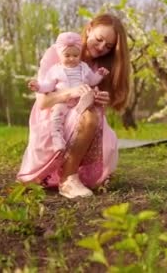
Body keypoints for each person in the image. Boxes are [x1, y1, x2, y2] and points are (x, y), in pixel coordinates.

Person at [17, 14, 129, 199]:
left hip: (79, 112)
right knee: (89, 116)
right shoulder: (58, 52)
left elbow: (91, 94)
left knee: (95, 118)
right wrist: (71, 92)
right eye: (99, 39)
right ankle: (68, 179)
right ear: (89, 29)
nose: (101, 48)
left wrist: (99, 97)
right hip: (53, 115)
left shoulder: (97, 65)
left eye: (108, 46)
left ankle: (74, 173)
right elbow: (43, 102)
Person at [27, 32, 109, 152]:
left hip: (80, 99)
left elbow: (92, 80)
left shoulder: (84, 67)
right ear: (60, 55)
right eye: (67, 55)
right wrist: (38, 87)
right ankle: (57, 138)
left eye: (75, 56)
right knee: (57, 115)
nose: (71, 59)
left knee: (89, 92)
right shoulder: (55, 70)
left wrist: (100, 74)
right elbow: (48, 86)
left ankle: (84, 106)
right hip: (64, 100)